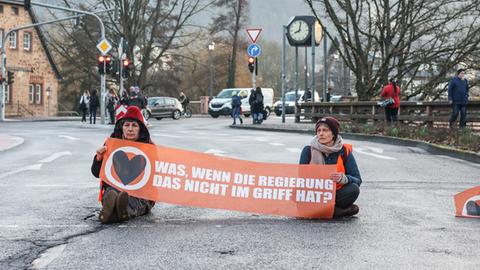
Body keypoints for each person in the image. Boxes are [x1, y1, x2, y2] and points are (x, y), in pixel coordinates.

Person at [91, 106, 155, 224]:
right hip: (115, 188)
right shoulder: (111, 144)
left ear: (140, 129)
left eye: (134, 126)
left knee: (131, 199)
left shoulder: (150, 148)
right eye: (127, 125)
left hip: (140, 194)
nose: (130, 129)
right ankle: (117, 211)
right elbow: (96, 173)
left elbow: (156, 177)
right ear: (122, 127)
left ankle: (112, 214)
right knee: (112, 192)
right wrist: (99, 159)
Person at [299, 117, 362, 218]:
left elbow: (357, 179)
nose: (321, 133)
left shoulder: (344, 151)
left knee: (353, 189)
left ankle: (321, 211)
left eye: (325, 130)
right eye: (318, 130)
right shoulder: (308, 150)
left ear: (333, 134)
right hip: (314, 194)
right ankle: (335, 212)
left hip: (334, 194)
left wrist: (344, 179)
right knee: (294, 192)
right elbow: (301, 178)